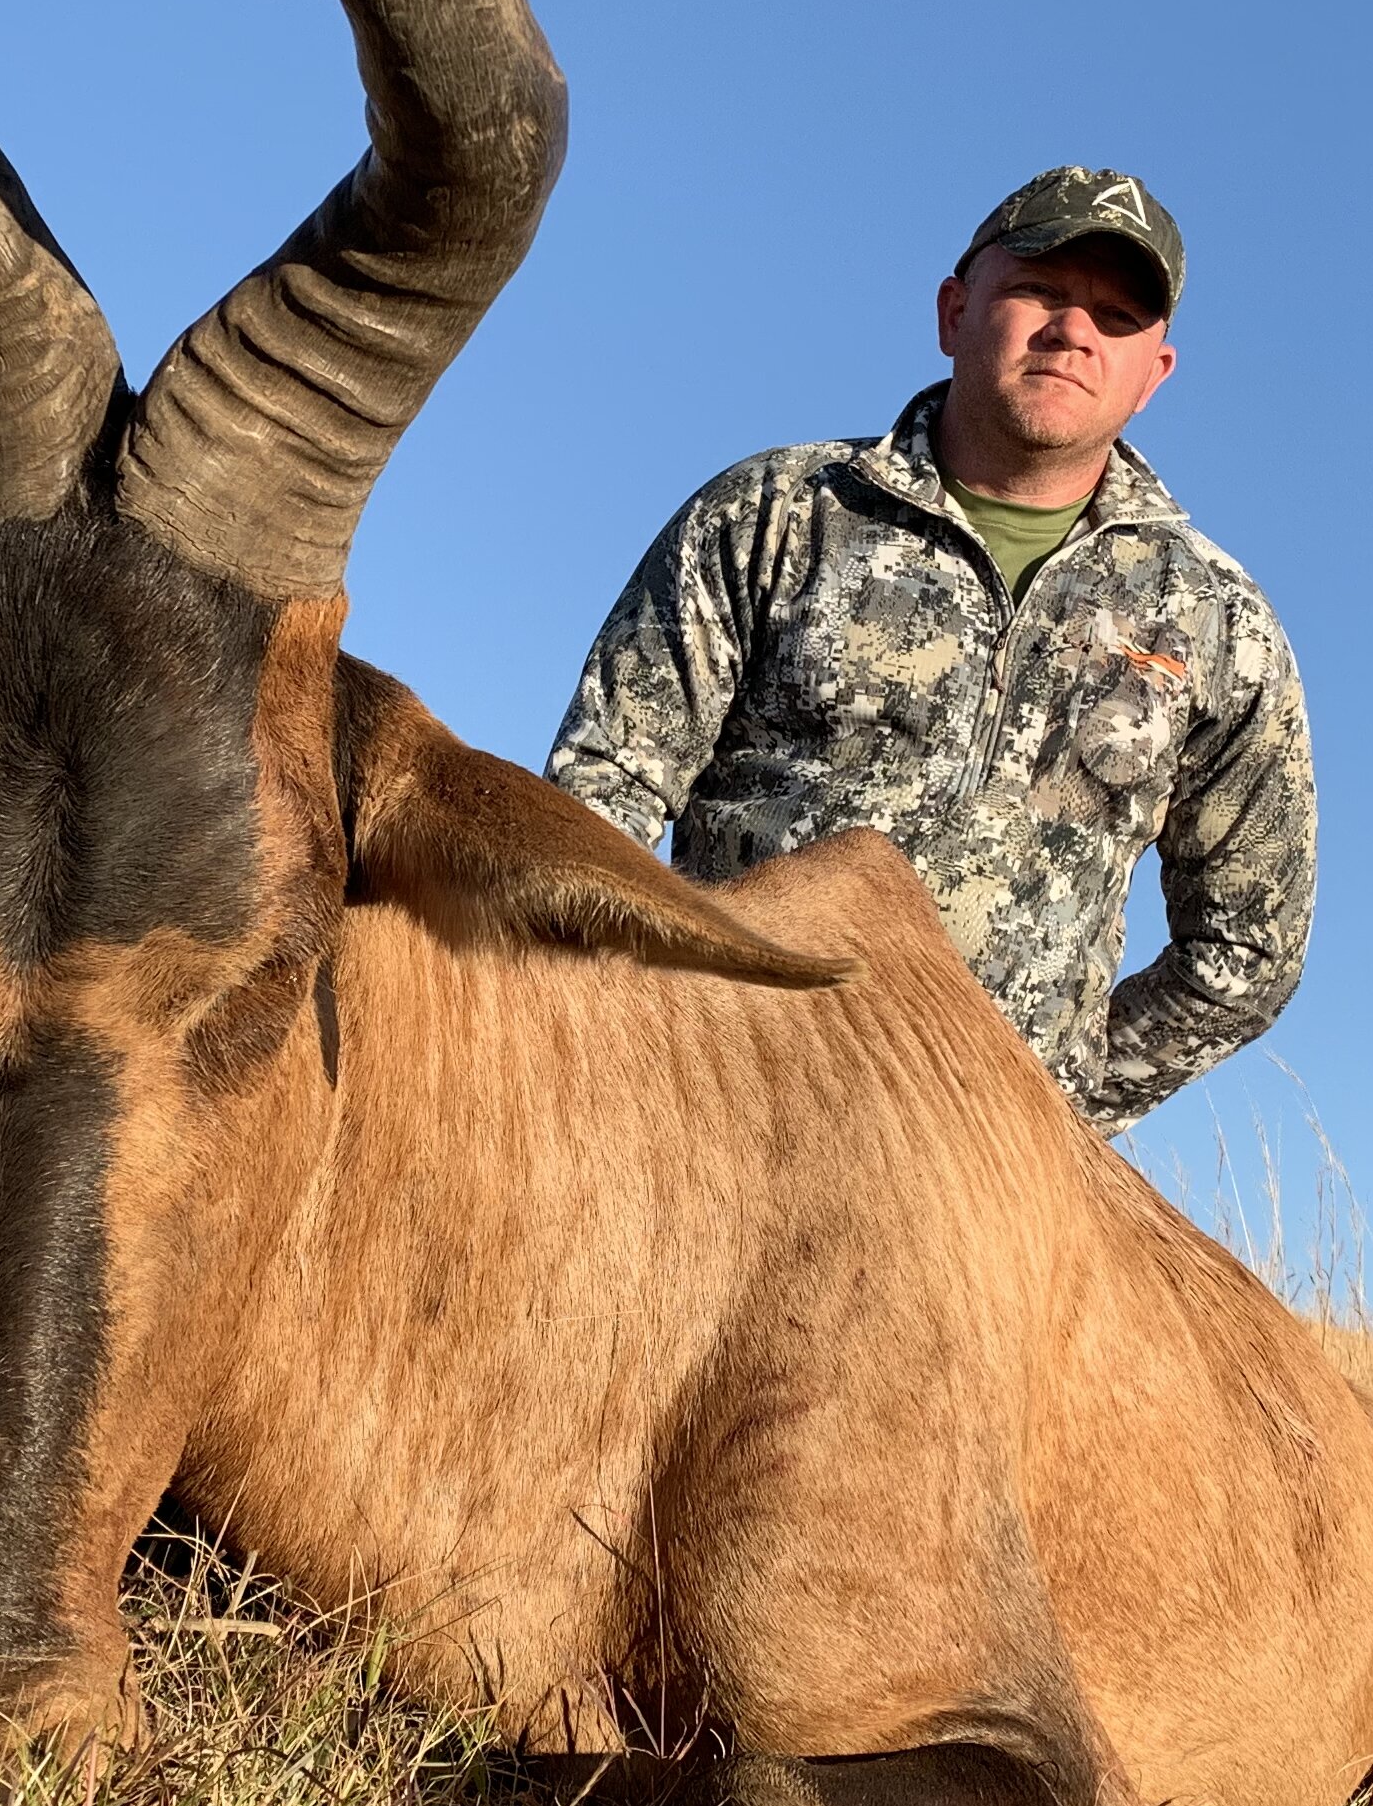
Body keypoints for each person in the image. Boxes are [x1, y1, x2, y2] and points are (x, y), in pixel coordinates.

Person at [548, 166, 1311, 1133]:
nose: (1075, 331)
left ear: (1154, 374)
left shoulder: (1217, 623)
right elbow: (598, 799)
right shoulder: (775, 513)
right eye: (1040, 290)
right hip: (707, 1111)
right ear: (954, 312)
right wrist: (636, 1039)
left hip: (980, 1201)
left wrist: (1047, 1115)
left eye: (1117, 317)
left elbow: (1249, 950)